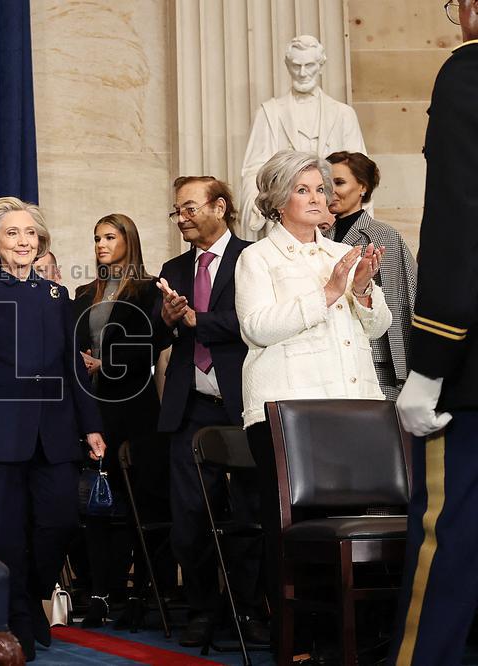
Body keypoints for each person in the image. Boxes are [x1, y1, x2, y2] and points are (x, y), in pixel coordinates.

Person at [235, 150, 390, 655]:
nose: (318, 197)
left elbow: (377, 327)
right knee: (295, 528)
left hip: (352, 407)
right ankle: (298, 641)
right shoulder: (257, 257)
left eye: (321, 189)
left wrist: (362, 291)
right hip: (288, 411)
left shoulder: (339, 253)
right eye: (304, 189)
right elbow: (257, 327)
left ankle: (355, 637)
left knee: (362, 516)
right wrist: (326, 293)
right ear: (278, 200)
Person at [0, 196, 105, 661]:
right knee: (5, 535)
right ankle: (13, 624)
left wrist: (91, 424)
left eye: (30, 233)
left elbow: (72, 365)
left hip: (54, 432)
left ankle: (28, 599)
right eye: (12, 233)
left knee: (60, 521)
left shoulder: (56, 297)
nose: (23, 241)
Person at [390, 3, 478, 663]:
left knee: (447, 541)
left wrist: (431, 360)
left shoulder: (467, 75)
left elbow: (457, 223)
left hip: (472, 367)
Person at [153, 176, 267, 647]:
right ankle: (201, 609)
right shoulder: (173, 268)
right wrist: (169, 320)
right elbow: (160, 340)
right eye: (177, 210)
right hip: (189, 407)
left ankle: (247, 612)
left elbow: (253, 323)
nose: (181, 217)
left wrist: (199, 319)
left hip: (242, 404)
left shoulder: (253, 259)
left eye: (189, 208)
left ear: (219, 207)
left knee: (247, 512)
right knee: (189, 517)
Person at [72, 213, 169, 629]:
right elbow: (72, 348)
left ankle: (143, 593)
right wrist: (83, 364)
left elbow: (150, 344)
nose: (101, 245)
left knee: (139, 504)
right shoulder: (83, 293)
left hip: (135, 408)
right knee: (95, 504)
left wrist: (102, 363)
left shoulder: (148, 290)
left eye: (110, 237)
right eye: (96, 238)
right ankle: (98, 591)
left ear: (129, 240)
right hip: (93, 409)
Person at [239, 35, 369, 240]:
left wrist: (362, 223)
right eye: (296, 65)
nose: (302, 73)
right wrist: (256, 206)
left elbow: (360, 173)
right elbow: (253, 169)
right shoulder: (269, 113)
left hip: (333, 218)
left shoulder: (343, 114)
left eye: (309, 65)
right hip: (285, 219)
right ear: (287, 65)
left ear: (321, 65)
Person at [321, 151, 417, 399]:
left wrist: (404, 372)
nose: (331, 190)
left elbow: (401, 302)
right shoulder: (317, 236)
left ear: (362, 187)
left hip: (375, 365)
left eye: (340, 182)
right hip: (325, 360)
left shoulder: (383, 235)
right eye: (326, 184)